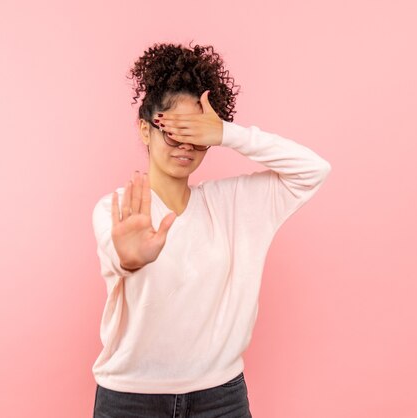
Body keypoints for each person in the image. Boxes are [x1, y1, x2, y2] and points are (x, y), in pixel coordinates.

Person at [91, 41, 332, 418]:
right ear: (145, 129)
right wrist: (129, 258)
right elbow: (119, 253)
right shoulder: (119, 210)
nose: (185, 145)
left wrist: (226, 133)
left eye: (197, 136)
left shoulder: (236, 204)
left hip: (220, 398)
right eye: (172, 130)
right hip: (130, 399)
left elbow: (313, 170)